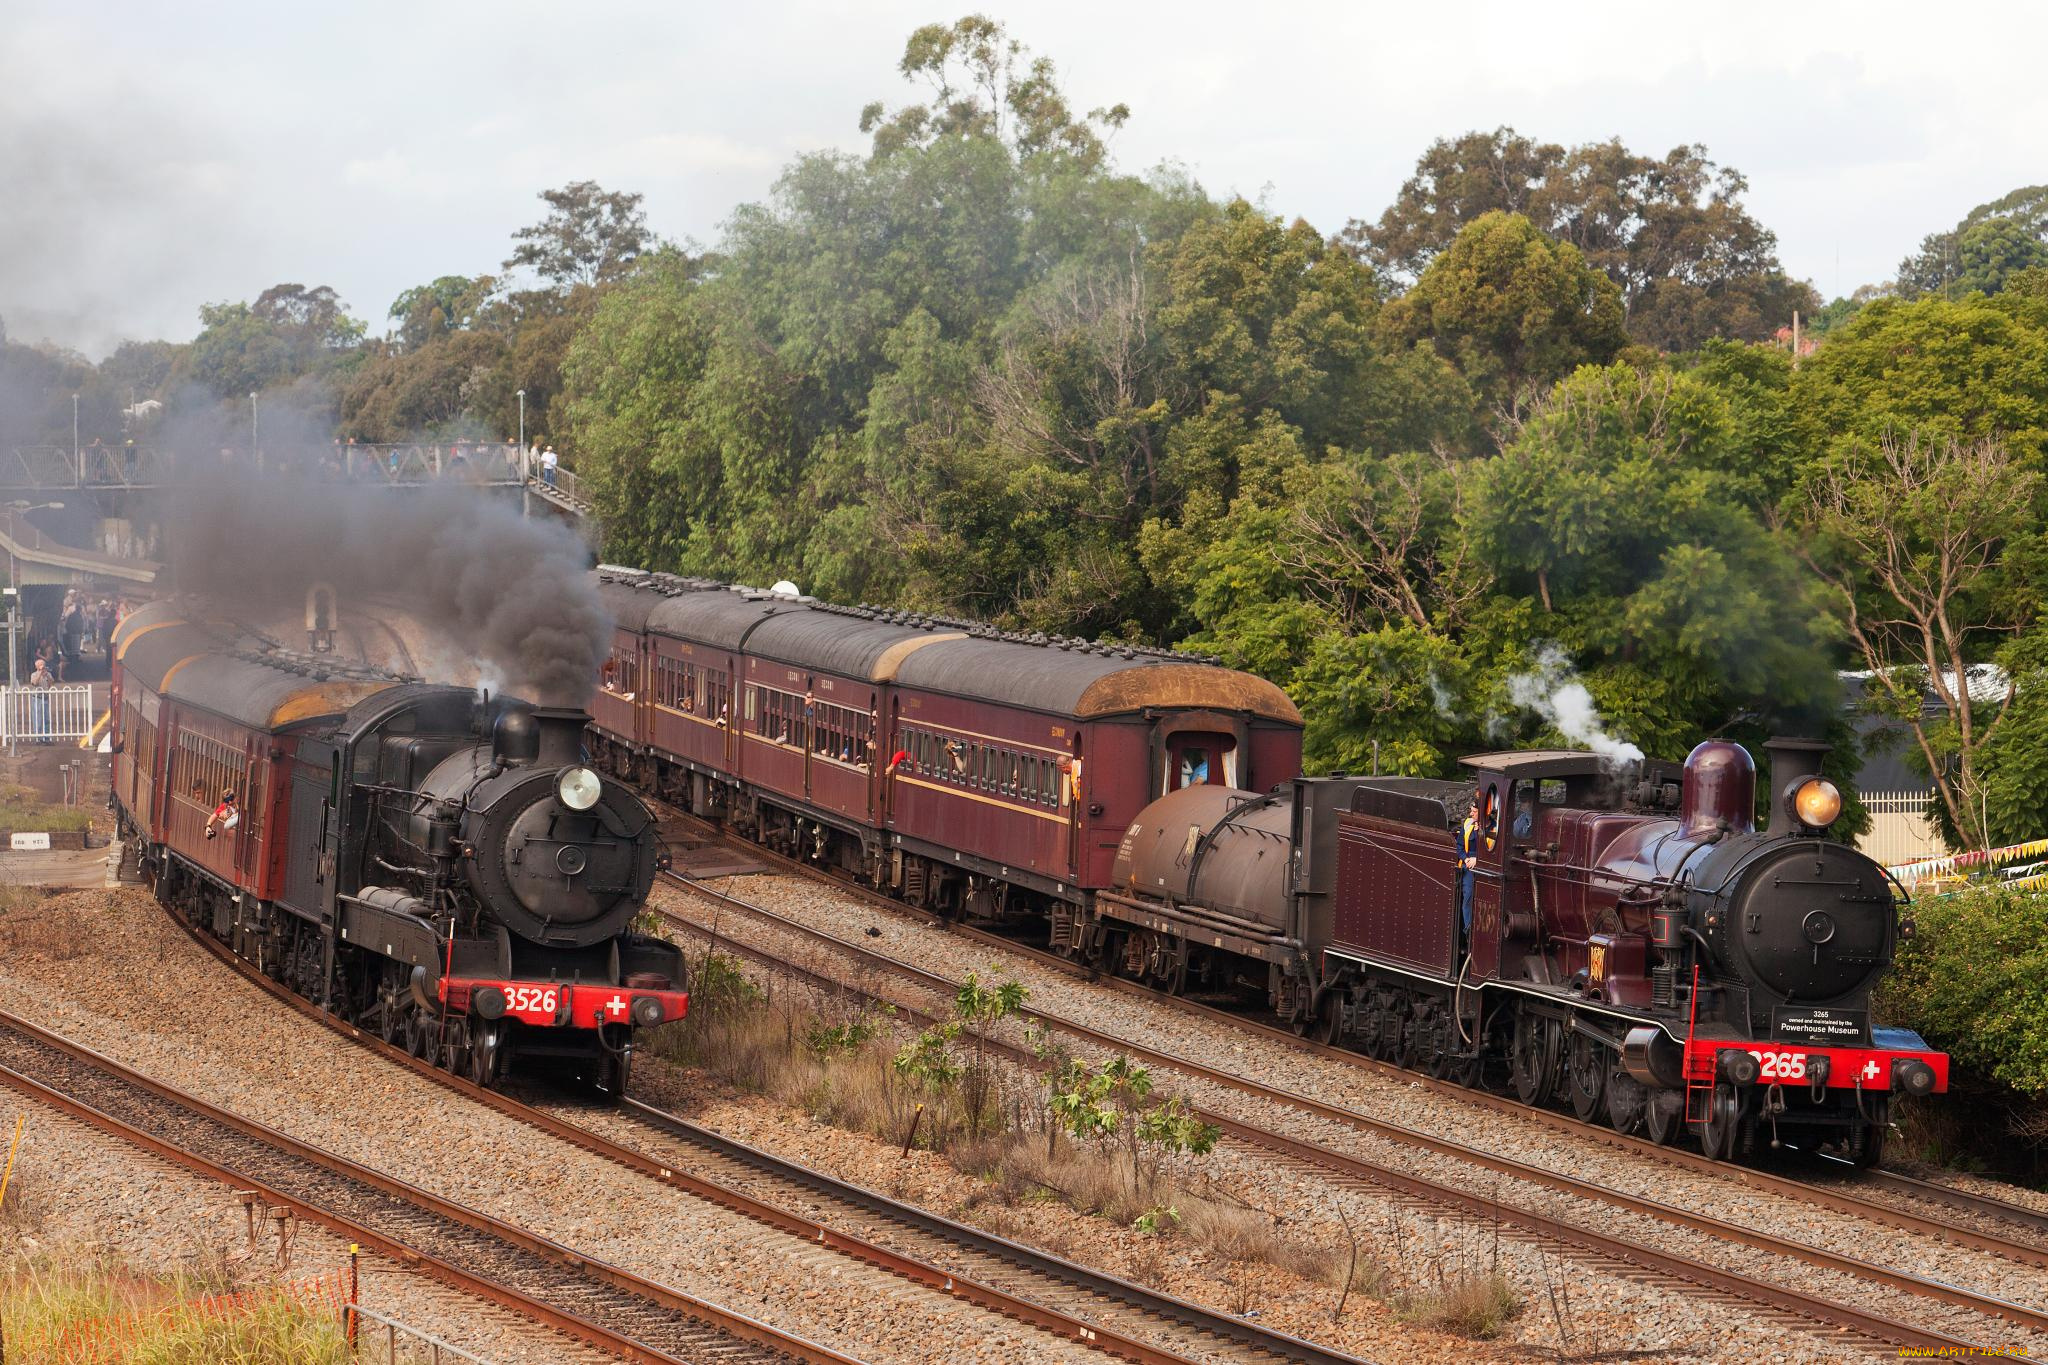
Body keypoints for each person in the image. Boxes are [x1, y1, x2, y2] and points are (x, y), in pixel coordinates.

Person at [1457, 794, 1486, 947]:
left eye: (1474, 811)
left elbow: (1492, 848)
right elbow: (1460, 846)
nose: (1471, 814)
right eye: (1471, 811)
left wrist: (1478, 859)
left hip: (1484, 865)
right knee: (1467, 896)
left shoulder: (1492, 825)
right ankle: (1468, 928)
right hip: (1468, 866)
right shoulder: (1467, 823)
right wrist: (1466, 859)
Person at [27, 655, 53, 742]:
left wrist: (47, 676)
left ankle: (47, 738)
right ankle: (38, 738)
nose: (43, 666)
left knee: (46, 718)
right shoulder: (33, 674)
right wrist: (40, 674)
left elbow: (51, 683)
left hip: (45, 697)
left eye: (43, 664)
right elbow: (34, 683)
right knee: (38, 718)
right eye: (41, 665)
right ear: (37, 666)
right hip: (37, 698)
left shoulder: (48, 674)